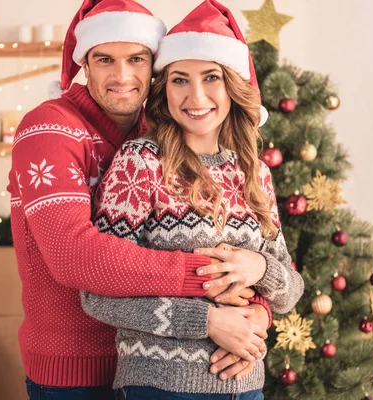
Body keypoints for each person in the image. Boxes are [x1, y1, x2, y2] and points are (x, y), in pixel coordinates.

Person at [7, 0, 272, 398]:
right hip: (75, 368)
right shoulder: (49, 129)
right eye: (104, 60)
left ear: (155, 66)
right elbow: (72, 255)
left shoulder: (163, 132)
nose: (122, 75)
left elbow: (241, 239)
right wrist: (214, 279)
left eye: (136, 58)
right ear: (84, 63)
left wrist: (254, 313)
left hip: (160, 362)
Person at [80, 1, 305, 399]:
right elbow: (97, 295)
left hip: (247, 388)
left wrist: (260, 270)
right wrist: (206, 321)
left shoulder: (254, 174)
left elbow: (290, 290)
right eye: (180, 80)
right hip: (160, 388)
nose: (195, 95)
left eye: (211, 78)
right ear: (164, 88)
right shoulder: (140, 163)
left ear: (232, 84)